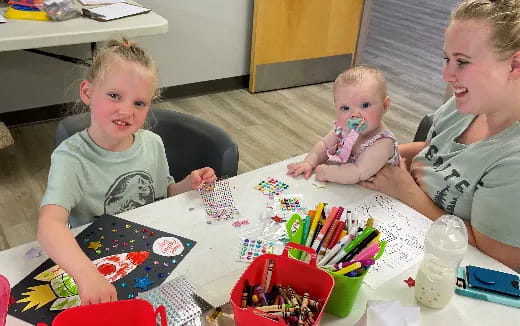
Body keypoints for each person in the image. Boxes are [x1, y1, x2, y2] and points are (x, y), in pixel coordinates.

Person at [37, 39, 216, 305]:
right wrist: (87, 275)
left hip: (150, 250)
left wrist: (187, 185)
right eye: (114, 96)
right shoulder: (71, 157)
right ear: (87, 93)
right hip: (95, 260)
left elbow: (162, 193)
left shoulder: (152, 143)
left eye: (139, 103)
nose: (126, 111)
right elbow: (49, 224)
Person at [361, 0, 520, 271]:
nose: (447, 74)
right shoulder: (469, 107)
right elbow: (433, 150)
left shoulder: (512, 161)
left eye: (462, 62)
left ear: (514, 65)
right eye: (447, 59)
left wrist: (407, 192)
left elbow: (496, 259)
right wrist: (381, 150)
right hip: (400, 229)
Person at [286, 65, 400, 184]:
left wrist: (327, 173)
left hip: (381, 196)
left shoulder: (383, 142)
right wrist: (309, 162)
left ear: (385, 106)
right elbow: (325, 145)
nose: (355, 115)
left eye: (365, 105)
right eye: (345, 108)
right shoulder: (343, 129)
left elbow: (359, 172)